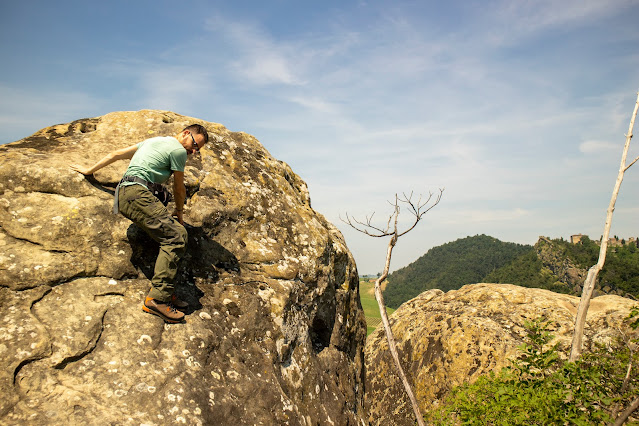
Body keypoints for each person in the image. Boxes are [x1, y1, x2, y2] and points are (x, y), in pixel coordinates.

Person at [70, 124, 209, 323]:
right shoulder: (178, 151)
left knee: (168, 233)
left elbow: (116, 154)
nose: (193, 151)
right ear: (186, 133)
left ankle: (165, 292)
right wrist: (179, 213)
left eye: (197, 150)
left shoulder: (153, 141)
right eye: (195, 145)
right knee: (177, 236)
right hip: (138, 194)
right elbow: (179, 188)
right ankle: (158, 300)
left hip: (126, 193)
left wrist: (89, 170)